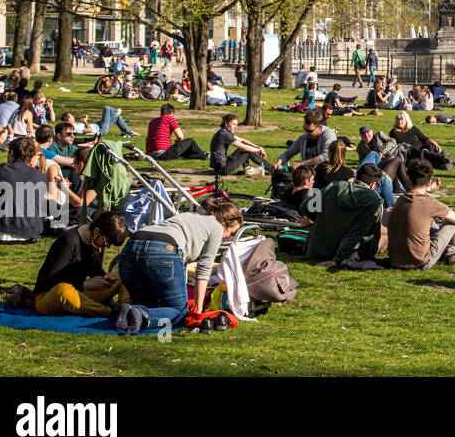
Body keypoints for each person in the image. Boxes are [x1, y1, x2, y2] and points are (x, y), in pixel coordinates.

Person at [114, 200, 244, 332]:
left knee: (148, 305)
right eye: (230, 233)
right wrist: (197, 312)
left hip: (131, 247)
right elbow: (204, 270)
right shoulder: (216, 227)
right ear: (223, 224)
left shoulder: (188, 216)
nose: (227, 237)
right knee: (179, 312)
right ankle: (142, 314)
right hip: (163, 249)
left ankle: (129, 311)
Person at [389, 158, 455, 268]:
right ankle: (452, 252)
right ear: (429, 183)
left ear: (409, 181)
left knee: (430, 225)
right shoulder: (430, 203)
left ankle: (451, 253)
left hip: (394, 260)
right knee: (452, 222)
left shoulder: (401, 200)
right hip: (420, 262)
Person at [32, 212, 129, 317]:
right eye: (107, 242)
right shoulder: (68, 242)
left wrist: (104, 277)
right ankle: (108, 312)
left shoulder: (96, 242)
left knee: (123, 273)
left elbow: (95, 269)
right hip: (50, 295)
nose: (108, 246)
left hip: (80, 292)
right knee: (63, 290)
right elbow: (50, 282)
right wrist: (85, 285)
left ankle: (125, 309)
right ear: (96, 231)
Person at [303, 163, 387, 266]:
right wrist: (337, 259)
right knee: (384, 234)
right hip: (347, 254)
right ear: (373, 185)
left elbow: (305, 206)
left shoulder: (334, 186)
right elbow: (356, 234)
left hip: (317, 249)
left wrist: (320, 218)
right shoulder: (374, 201)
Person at [209, 114, 275, 176]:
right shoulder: (224, 134)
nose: (236, 127)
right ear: (225, 123)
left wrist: (257, 147)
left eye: (236, 125)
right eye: (233, 124)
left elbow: (243, 140)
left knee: (242, 150)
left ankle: (247, 168)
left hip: (220, 166)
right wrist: (259, 150)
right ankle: (272, 169)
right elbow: (245, 147)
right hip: (222, 169)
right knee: (247, 151)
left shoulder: (224, 132)